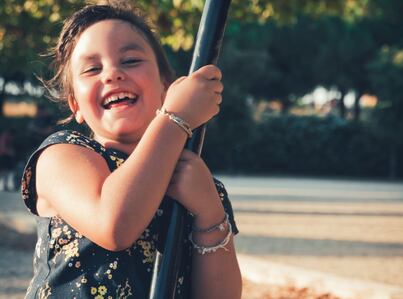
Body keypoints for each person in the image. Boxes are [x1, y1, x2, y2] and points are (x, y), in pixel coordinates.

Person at [20, 1, 242, 298]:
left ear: (167, 87)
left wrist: (210, 211)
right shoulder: (62, 156)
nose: (112, 74)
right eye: (92, 68)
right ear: (76, 106)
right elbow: (114, 225)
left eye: (131, 61)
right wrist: (175, 119)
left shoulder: (197, 182)